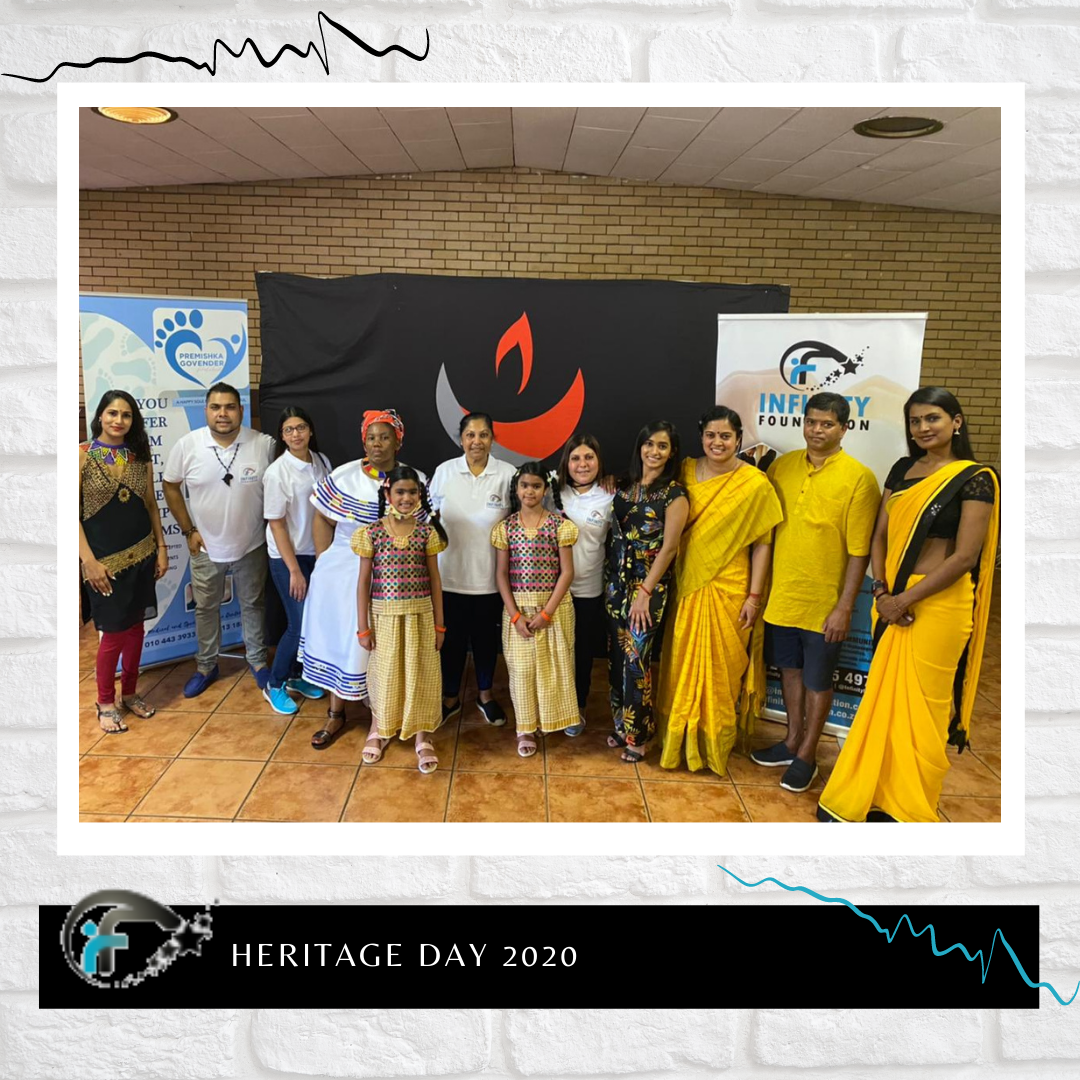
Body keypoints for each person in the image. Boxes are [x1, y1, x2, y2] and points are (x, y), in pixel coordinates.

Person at [817, 388, 999, 823]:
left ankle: (908, 804)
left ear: (956, 421)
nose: (922, 428)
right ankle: (869, 793)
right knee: (883, 700)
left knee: (923, 705)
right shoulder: (902, 469)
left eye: (932, 418)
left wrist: (904, 600)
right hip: (891, 599)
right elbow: (879, 534)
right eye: (915, 421)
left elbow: (964, 557)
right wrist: (882, 593)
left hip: (939, 606)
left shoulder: (976, 478)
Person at [751, 392, 880, 793]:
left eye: (827, 424)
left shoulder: (859, 478)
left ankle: (807, 754)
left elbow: (859, 552)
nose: (817, 430)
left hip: (825, 604)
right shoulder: (784, 467)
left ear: (845, 428)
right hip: (782, 597)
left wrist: (844, 607)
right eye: (811, 422)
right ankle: (791, 741)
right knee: (789, 671)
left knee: (818, 680)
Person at [657, 406, 783, 776]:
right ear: (701, 437)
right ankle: (676, 743)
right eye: (711, 435)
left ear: (739, 439)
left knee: (721, 671)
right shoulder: (683, 472)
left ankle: (713, 746)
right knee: (680, 663)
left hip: (731, 588)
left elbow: (763, 544)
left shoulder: (754, 484)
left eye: (725, 436)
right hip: (687, 583)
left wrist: (754, 597)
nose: (717, 442)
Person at [301, 409, 424, 753]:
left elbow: (424, 530)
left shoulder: (413, 480)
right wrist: (324, 560)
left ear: (398, 442)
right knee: (343, 640)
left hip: (395, 575)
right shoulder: (344, 477)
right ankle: (335, 713)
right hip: (343, 571)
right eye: (371, 437)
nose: (377, 444)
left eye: (385, 437)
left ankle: (380, 718)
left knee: (385, 645)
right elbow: (322, 519)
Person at [162, 383, 275, 698]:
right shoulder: (188, 445)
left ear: (241, 410)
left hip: (252, 544)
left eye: (229, 407)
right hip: (206, 547)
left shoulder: (263, 444)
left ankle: (257, 661)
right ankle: (206, 666)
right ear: (206, 411)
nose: (222, 414)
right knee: (205, 608)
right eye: (215, 407)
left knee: (253, 604)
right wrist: (189, 530)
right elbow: (170, 485)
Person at [79, 390, 169, 732]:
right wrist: (89, 562)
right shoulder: (81, 456)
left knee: (135, 630)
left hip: (143, 555)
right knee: (113, 634)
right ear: (100, 416)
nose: (119, 420)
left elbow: (150, 505)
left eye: (126, 415)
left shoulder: (138, 457)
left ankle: (129, 693)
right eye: (113, 413)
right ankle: (105, 701)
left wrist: (161, 548)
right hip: (104, 565)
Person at [353, 467, 449, 772]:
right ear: (387, 494)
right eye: (400, 492)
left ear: (419, 496)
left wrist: (439, 624)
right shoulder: (372, 533)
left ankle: (423, 734)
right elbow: (363, 582)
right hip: (384, 618)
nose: (406, 498)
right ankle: (378, 729)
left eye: (412, 492)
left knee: (422, 674)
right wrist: (363, 627)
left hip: (421, 616)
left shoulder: (426, 533)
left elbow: (435, 580)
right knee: (384, 674)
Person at [605, 421, 689, 763]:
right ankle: (622, 724)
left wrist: (645, 592)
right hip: (615, 585)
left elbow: (669, 548)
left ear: (672, 453)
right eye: (649, 444)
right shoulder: (624, 486)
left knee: (637, 661)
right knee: (616, 658)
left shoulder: (675, 494)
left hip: (648, 588)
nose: (654, 451)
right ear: (640, 447)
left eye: (662, 446)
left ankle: (638, 738)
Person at [428, 412, 516, 727]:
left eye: (483, 435)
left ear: (492, 439)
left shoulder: (507, 474)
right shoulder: (444, 472)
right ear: (461, 439)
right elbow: (427, 518)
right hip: (449, 577)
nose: (476, 441)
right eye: (470, 435)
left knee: (485, 642)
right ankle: (450, 697)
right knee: (451, 642)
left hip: (491, 579)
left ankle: (485, 695)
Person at [491, 462, 579, 757]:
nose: (530, 491)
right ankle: (525, 727)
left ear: (546, 489)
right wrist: (515, 615)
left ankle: (547, 719)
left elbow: (567, 572)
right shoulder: (506, 528)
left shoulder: (559, 526)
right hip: (518, 610)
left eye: (536, 486)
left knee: (551, 667)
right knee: (522, 670)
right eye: (525, 485)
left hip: (553, 609)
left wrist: (547, 613)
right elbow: (501, 574)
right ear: (516, 489)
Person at [261, 406, 332, 716]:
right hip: (287, 556)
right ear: (282, 436)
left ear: (310, 430)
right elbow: (276, 524)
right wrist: (294, 571)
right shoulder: (277, 472)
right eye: (288, 430)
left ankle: (295, 676)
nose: (295, 434)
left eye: (300, 427)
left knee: (314, 622)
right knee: (299, 624)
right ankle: (274, 684)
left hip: (316, 552)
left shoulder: (321, 461)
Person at [554, 434, 614, 736]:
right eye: (576, 458)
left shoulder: (609, 496)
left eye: (589, 457)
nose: (582, 464)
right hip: (550, 590)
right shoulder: (552, 491)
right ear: (566, 462)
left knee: (582, 651)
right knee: (553, 650)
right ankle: (550, 705)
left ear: (599, 462)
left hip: (588, 589)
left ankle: (577, 705)